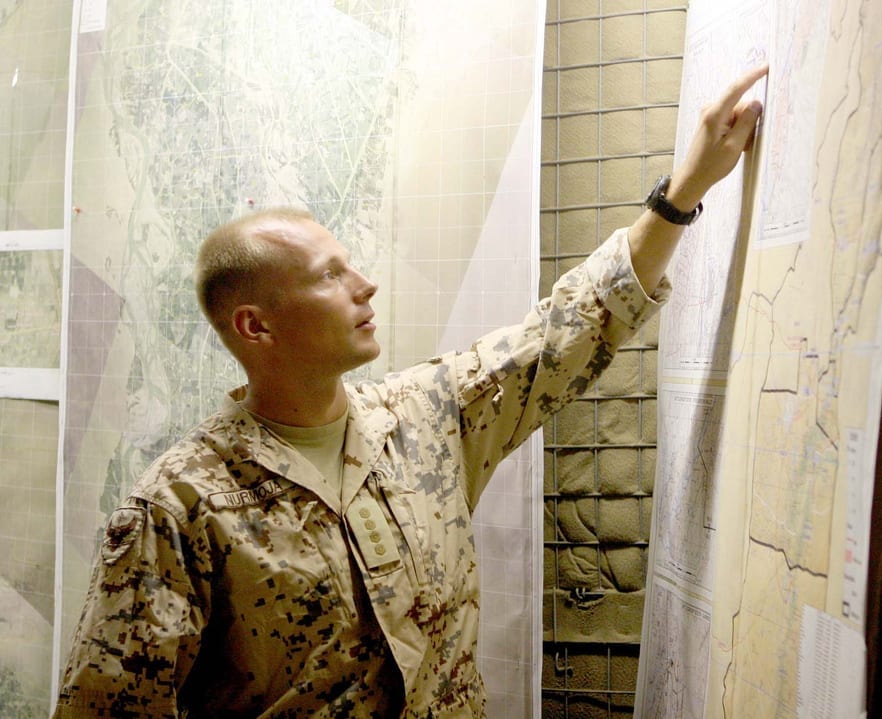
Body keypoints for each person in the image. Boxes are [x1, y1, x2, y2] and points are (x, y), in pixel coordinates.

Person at [52, 64, 767, 718]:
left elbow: (565, 331)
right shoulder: (179, 505)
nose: (364, 285)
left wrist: (683, 193)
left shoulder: (426, 413)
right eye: (329, 275)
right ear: (255, 325)